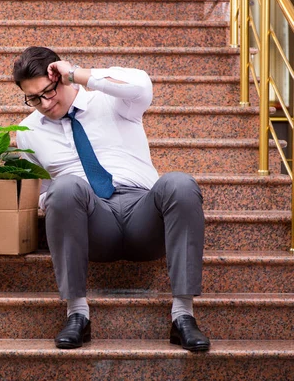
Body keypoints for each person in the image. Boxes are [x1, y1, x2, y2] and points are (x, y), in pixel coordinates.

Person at [13, 46, 210, 351]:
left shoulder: (112, 100)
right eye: (34, 98)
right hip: (93, 223)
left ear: (62, 77)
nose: (45, 103)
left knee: (179, 183)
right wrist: (60, 202)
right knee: (63, 188)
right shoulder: (28, 131)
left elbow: (142, 84)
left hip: (143, 214)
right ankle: (77, 314)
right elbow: (39, 191)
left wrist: (78, 73)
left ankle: (183, 316)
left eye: (49, 91)